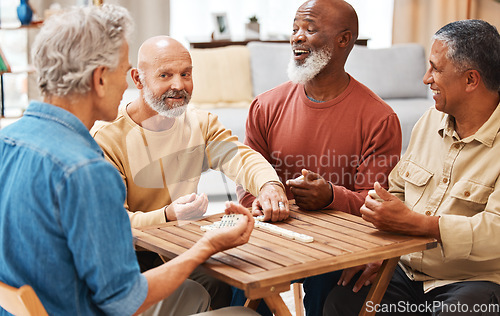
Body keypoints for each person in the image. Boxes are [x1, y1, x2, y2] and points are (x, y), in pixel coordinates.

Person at [0, 5, 259, 316]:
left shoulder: (7, 140)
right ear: (99, 79)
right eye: (123, 72)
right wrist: (209, 245)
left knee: (197, 291)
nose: (126, 85)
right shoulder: (87, 169)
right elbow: (125, 300)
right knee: (246, 314)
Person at [90, 35, 289, 308]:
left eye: (186, 73)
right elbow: (115, 225)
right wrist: (167, 215)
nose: (179, 85)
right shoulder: (106, 138)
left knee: (253, 275)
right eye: (165, 75)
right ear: (138, 79)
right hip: (131, 265)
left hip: (181, 249)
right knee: (219, 284)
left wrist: (269, 186)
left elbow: (240, 157)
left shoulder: (200, 122)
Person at [235, 0, 402, 315]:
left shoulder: (380, 118)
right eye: (295, 29)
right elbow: (247, 179)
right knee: (237, 270)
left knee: (336, 281)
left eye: (309, 29)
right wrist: (257, 200)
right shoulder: (264, 106)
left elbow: (373, 204)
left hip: (337, 247)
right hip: (274, 234)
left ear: (344, 39)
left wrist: (330, 196)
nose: (297, 37)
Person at [323, 19, 500, 315]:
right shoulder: (429, 121)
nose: (426, 78)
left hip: (473, 280)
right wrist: (382, 251)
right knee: (342, 302)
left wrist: (420, 225)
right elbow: (397, 191)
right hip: (405, 268)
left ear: (471, 80)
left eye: (436, 68)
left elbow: (495, 231)